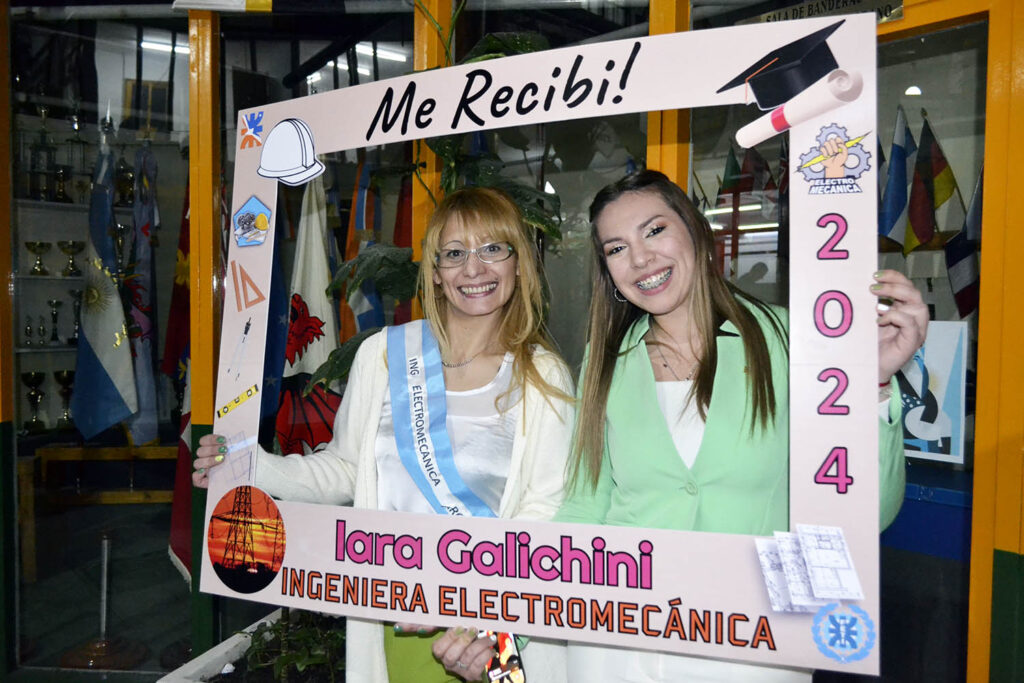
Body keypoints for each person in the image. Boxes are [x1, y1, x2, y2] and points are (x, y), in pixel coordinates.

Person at [555, 169, 928, 681]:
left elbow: (864, 516)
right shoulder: (605, 362)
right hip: (617, 639)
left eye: (655, 230)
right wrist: (512, 615)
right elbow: (583, 507)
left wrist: (873, 385)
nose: (640, 259)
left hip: (753, 640)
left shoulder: (792, 341)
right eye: (616, 249)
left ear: (695, 231)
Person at [194, 187, 574, 682]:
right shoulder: (385, 355)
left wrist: (480, 614)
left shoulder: (542, 376)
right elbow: (345, 470)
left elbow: (545, 515)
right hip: (395, 618)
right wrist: (252, 465)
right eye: (454, 253)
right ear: (434, 272)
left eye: (492, 248)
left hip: (487, 632)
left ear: (518, 263)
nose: (473, 268)